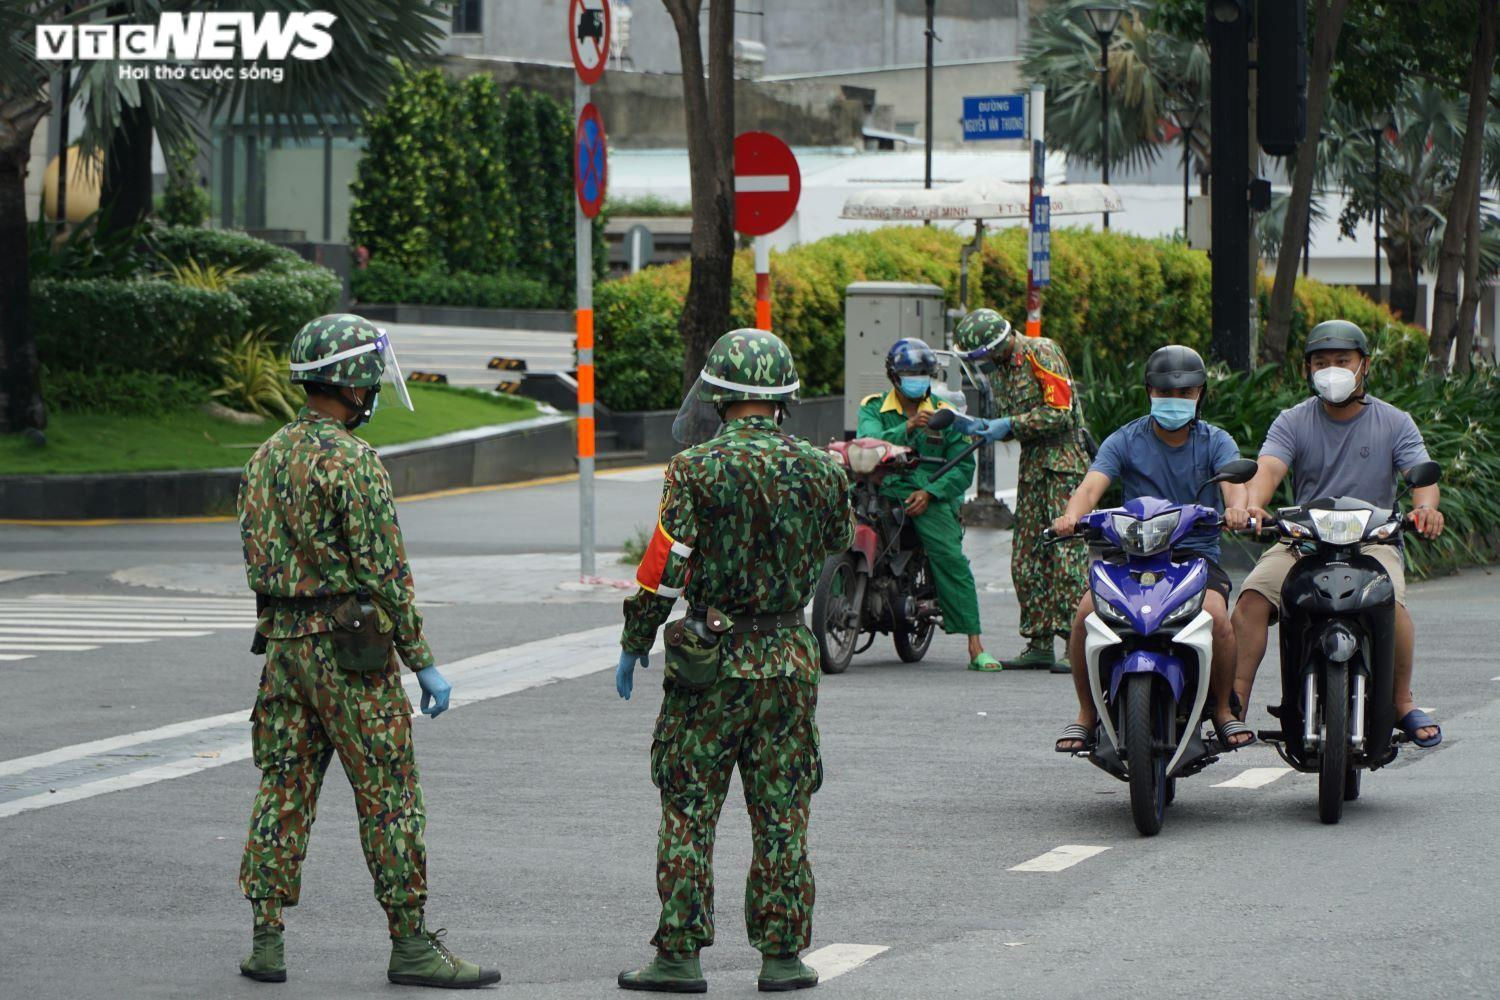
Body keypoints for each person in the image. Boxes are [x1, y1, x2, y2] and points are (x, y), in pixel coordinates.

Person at [236, 314, 499, 989]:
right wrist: (423, 660)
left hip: (284, 652)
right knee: (389, 798)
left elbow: (257, 559)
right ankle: (409, 943)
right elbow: (384, 572)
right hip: (351, 656)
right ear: (350, 382)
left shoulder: (265, 456)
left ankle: (267, 940)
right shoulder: (354, 463)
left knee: (283, 790)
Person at [614, 329, 855, 994]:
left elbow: (664, 570)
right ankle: (782, 957)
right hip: (786, 659)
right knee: (781, 810)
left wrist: (636, 640)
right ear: (784, 399)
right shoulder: (822, 469)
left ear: (719, 396)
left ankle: (680, 956)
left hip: (709, 662)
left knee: (690, 807)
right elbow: (838, 540)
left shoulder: (694, 469)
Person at [1229, 320, 1445, 747]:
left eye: (1342, 361)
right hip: (1303, 541)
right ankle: (1232, 704)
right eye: (1321, 362)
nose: (1332, 370)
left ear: (1363, 365)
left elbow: (1423, 479)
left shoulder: (1395, 422)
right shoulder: (1293, 421)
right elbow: (1269, 468)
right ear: (1306, 370)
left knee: (1393, 607)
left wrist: (1425, 510)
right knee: (1252, 600)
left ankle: (1401, 700)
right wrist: (1254, 503)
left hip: (1373, 543)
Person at [1050, 346, 1255, 752]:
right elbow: (1091, 486)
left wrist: (1237, 510)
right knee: (1084, 615)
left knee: (1217, 618)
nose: (1175, 400)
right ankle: (1087, 715)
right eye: (1165, 392)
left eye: (1185, 393)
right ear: (1149, 391)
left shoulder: (1215, 441)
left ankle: (1221, 711)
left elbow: (1236, 486)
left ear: (1200, 394)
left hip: (1194, 559)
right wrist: (1070, 516)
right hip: (1129, 558)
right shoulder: (1125, 439)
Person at [951, 309, 1089, 671]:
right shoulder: (1002, 372)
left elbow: (1059, 411)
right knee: (1027, 556)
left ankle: (1074, 644)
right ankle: (1038, 640)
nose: (981, 363)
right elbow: (1017, 423)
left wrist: (1008, 423)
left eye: (981, 355)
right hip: (1032, 465)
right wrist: (991, 427)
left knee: (1066, 554)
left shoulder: (1040, 353)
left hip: (1062, 464)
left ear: (995, 346)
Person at [855, 338, 997, 670]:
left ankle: (975, 646)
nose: (916, 379)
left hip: (928, 496)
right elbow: (869, 441)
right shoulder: (873, 407)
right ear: (894, 376)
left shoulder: (946, 414)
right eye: (909, 373)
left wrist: (930, 493)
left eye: (922, 373)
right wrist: (906, 428)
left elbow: (963, 469)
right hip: (882, 489)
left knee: (950, 556)